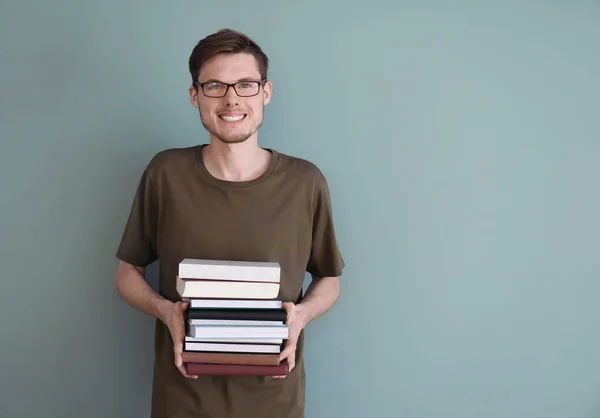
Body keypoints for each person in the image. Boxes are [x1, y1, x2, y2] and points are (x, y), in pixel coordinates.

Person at [113, 28, 345, 418]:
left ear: (265, 92)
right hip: (182, 396)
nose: (232, 98)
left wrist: (301, 316)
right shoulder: (165, 173)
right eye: (215, 85)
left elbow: (329, 277)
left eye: (246, 85)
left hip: (274, 397)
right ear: (195, 96)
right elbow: (126, 273)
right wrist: (165, 310)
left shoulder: (305, 182)